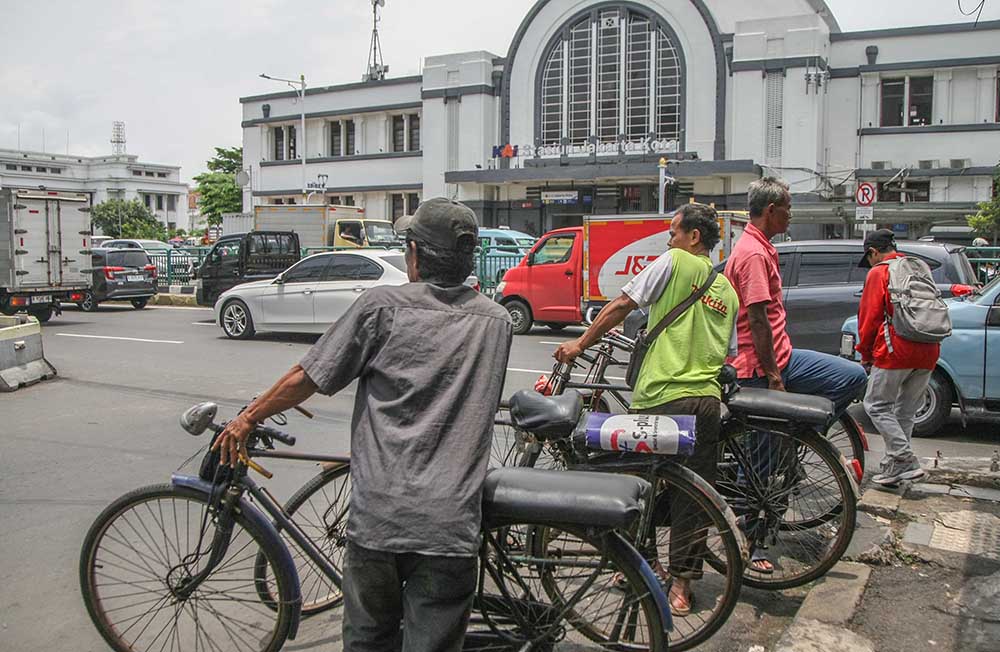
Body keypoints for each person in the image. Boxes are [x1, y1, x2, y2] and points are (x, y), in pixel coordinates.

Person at [213, 197, 513, 652]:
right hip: (451, 525)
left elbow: (308, 376)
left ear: (413, 254)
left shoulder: (381, 307)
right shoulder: (496, 321)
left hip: (381, 519)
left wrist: (248, 417)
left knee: (368, 640)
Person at [553, 203, 739, 617]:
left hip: (661, 398)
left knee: (635, 481)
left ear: (693, 237)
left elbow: (623, 303)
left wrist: (579, 344)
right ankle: (682, 588)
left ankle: (637, 563)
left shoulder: (675, 261)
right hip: (706, 403)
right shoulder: (727, 290)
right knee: (695, 495)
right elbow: (727, 354)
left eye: (674, 231)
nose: (669, 238)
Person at [724, 177, 868, 569]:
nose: (792, 214)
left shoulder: (761, 246)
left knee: (851, 377)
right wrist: (773, 377)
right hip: (761, 367)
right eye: (788, 207)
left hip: (779, 357)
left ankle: (797, 434)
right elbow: (756, 318)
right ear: (770, 210)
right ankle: (747, 542)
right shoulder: (753, 253)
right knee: (760, 463)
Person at [856, 229, 938, 487]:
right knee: (905, 412)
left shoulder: (879, 272)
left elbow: (869, 320)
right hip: (929, 348)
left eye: (868, 257)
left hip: (896, 350)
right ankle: (894, 469)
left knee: (876, 405)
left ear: (873, 252)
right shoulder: (917, 267)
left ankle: (904, 458)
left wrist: (866, 354)